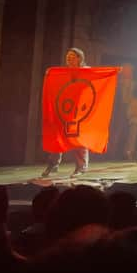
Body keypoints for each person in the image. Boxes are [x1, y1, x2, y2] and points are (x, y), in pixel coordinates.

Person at [42, 48, 91, 178]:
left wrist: (112, 73)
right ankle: (53, 164)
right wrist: (50, 74)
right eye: (67, 56)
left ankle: (81, 166)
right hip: (64, 109)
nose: (68, 59)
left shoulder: (86, 71)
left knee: (78, 139)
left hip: (79, 110)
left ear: (79, 58)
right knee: (57, 136)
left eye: (72, 56)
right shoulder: (64, 73)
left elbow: (93, 83)